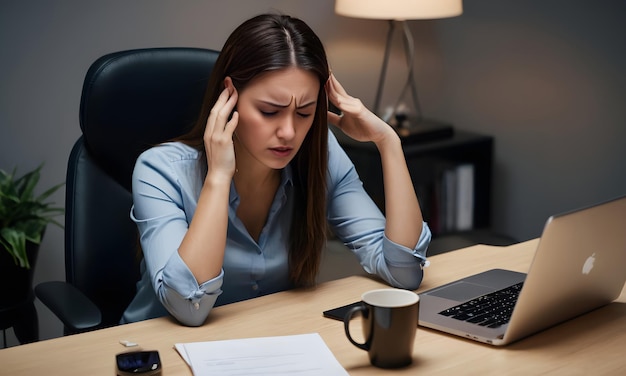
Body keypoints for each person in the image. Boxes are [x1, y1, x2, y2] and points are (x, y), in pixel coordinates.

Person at [121, 13, 431, 326]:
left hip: (271, 345)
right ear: (230, 96)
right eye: (270, 112)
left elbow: (404, 271)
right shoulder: (160, 171)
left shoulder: (320, 154)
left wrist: (387, 141)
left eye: (304, 112)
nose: (289, 132)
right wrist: (218, 177)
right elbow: (190, 308)